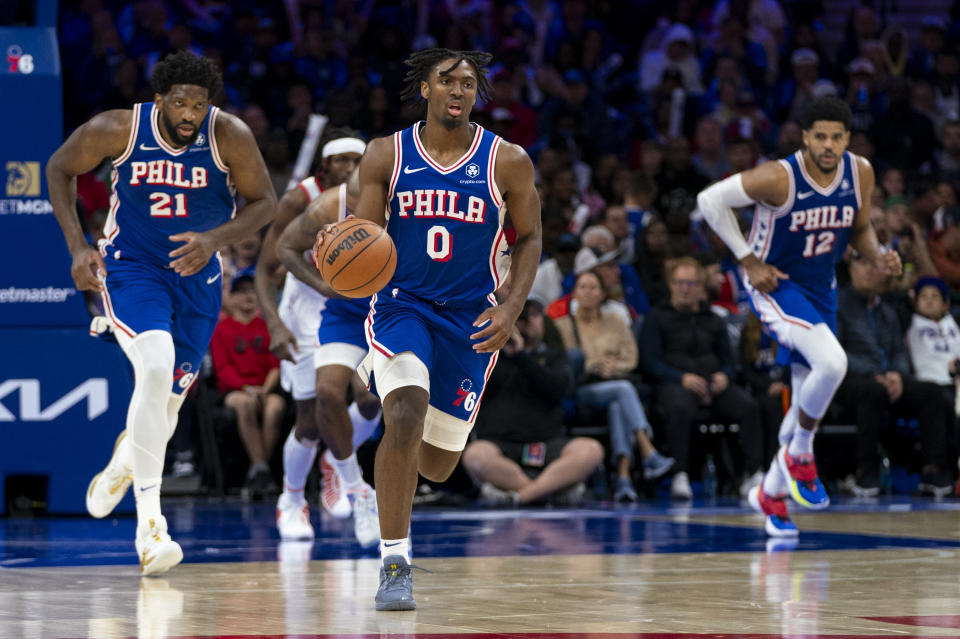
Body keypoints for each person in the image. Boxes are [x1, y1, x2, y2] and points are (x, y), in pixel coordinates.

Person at [315, 48, 541, 610]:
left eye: (468, 83)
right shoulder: (386, 154)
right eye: (447, 81)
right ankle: (395, 561)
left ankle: (394, 451)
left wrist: (511, 308)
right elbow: (366, 229)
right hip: (402, 304)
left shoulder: (507, 160)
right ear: (426, 89)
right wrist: (342, 245)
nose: (459, 90)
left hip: (470, 317)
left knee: (437, 464)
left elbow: (531, 237)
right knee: (405, 412)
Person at [47, 51, 277, 574]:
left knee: (165, 407)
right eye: (180, 103)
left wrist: (216, 239)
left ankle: (127, 458)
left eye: (199, 104)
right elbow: (59, 168)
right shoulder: (119, 129)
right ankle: (151, 528)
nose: (190, 114)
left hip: (199, 282)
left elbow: (265, 202)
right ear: (160, 100)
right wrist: (78, 247)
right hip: (134, 271)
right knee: (153, 366)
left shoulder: (229, 135)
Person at [696, 96, 901, 536]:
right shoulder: (778, 177)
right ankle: (801, 454)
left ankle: (770, 493)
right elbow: (710, 200)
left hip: (820, 286)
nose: (829, 145)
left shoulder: (860, 171)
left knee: (813, 395)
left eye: (837, 136)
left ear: (847, 138)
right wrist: (748, 259)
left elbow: (859, 227)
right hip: (775, 283)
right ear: (805, 137)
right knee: (834, 364)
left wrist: (879, 256)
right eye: (820, 136)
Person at [252, 131, 378, 539]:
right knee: (309, 419)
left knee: (371, 401)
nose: (349, 168)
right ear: (325, 166)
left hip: (360, 306)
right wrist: (274, 322)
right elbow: (265, 267)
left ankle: (339, 463)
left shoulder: (380, 197)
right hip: (307, 309)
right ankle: (291, 501)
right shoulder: (303, 200)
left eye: (355, 161)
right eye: (340, 161)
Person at [462, 298, 604, 505]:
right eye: (521, 318)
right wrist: (504, 346)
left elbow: (558, 389)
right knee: (475, 456)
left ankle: (522, 496)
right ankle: (548, 491)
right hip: (502, 446)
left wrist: (522, 356)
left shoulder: (556, 355)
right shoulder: (490, 356)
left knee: (591, 450)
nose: (529, 322)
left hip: (548, 444)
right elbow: (477, 388)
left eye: (536, 316)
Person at [639, 258, 760, 500]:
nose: (684, 288)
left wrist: (724, 376)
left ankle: (753, 473)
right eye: (679, 283)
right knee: (680, 406)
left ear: (701, 288)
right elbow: (649, 362)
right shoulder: (656, 317)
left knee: (749, 407)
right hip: (674, 383)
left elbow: (728, 360)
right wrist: (681, 378)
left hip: (713, 384)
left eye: (690, 283)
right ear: (671, 285)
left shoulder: (713, 319)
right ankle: (680, 474)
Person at [834, 260, 954, 496]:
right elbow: (836, 351)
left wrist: (898, 375)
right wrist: (875, 374)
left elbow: (899, 350)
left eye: (873, 266)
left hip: (889, 380)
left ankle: (932, 470)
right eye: (862, 264)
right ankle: (864, 472)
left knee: (931, 392)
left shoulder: (886, 311)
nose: (869, 270)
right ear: (851, 270)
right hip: (849, 379)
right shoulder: (838, 305)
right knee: (872, 392)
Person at [555, 271, 674, 502]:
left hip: (612, 386)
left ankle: (623, 479)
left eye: (593, 288)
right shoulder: (564, 325)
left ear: (602, 293)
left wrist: (615, 367)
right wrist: (596, 366)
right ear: (574, 293)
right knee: (623, 391)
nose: (588, 292)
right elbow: (565, 362)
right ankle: (647, 449)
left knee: (618, 404)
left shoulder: (615, 321)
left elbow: (631, 357)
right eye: (583, 287)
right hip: (582, 390)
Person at [209, 274, 284, 500]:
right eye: (241, 291)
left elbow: (275, 366)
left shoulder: (267, 326)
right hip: (235, 392)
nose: (248, 296)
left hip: (265, 389)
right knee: (246, 405)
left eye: (252, 290)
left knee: (276, 407)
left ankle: (257, 472)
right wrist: (248, 388)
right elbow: (223, 369)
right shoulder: (221, 329)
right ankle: (262, 471)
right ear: (230, 298)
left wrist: (264, 390)